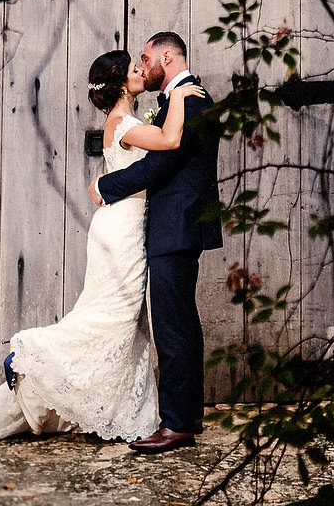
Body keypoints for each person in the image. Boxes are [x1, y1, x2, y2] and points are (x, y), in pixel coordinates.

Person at [0, 51, 204, 444]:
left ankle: (116, 407)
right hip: (120, 232)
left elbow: (136, 164)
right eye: (135, 68)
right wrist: (181, 98)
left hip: (127, 227)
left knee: (120, 318)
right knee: (110, 314)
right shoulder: (125, 123)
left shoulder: (122, 122)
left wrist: (104, 181)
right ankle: (30, 352)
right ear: (120, 85)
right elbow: (169, 140)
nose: (141, 71)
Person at [90, 31, 223, 454]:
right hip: (173, 225)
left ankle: (177, 426)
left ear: (167, 56)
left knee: (172, 326)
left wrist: (105, 184)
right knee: (179, 322)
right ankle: (186, 416)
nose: (142, 66)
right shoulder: (179, 100)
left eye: (145, 58)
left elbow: (160, 163)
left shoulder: (191, 98)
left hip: (176, 226)